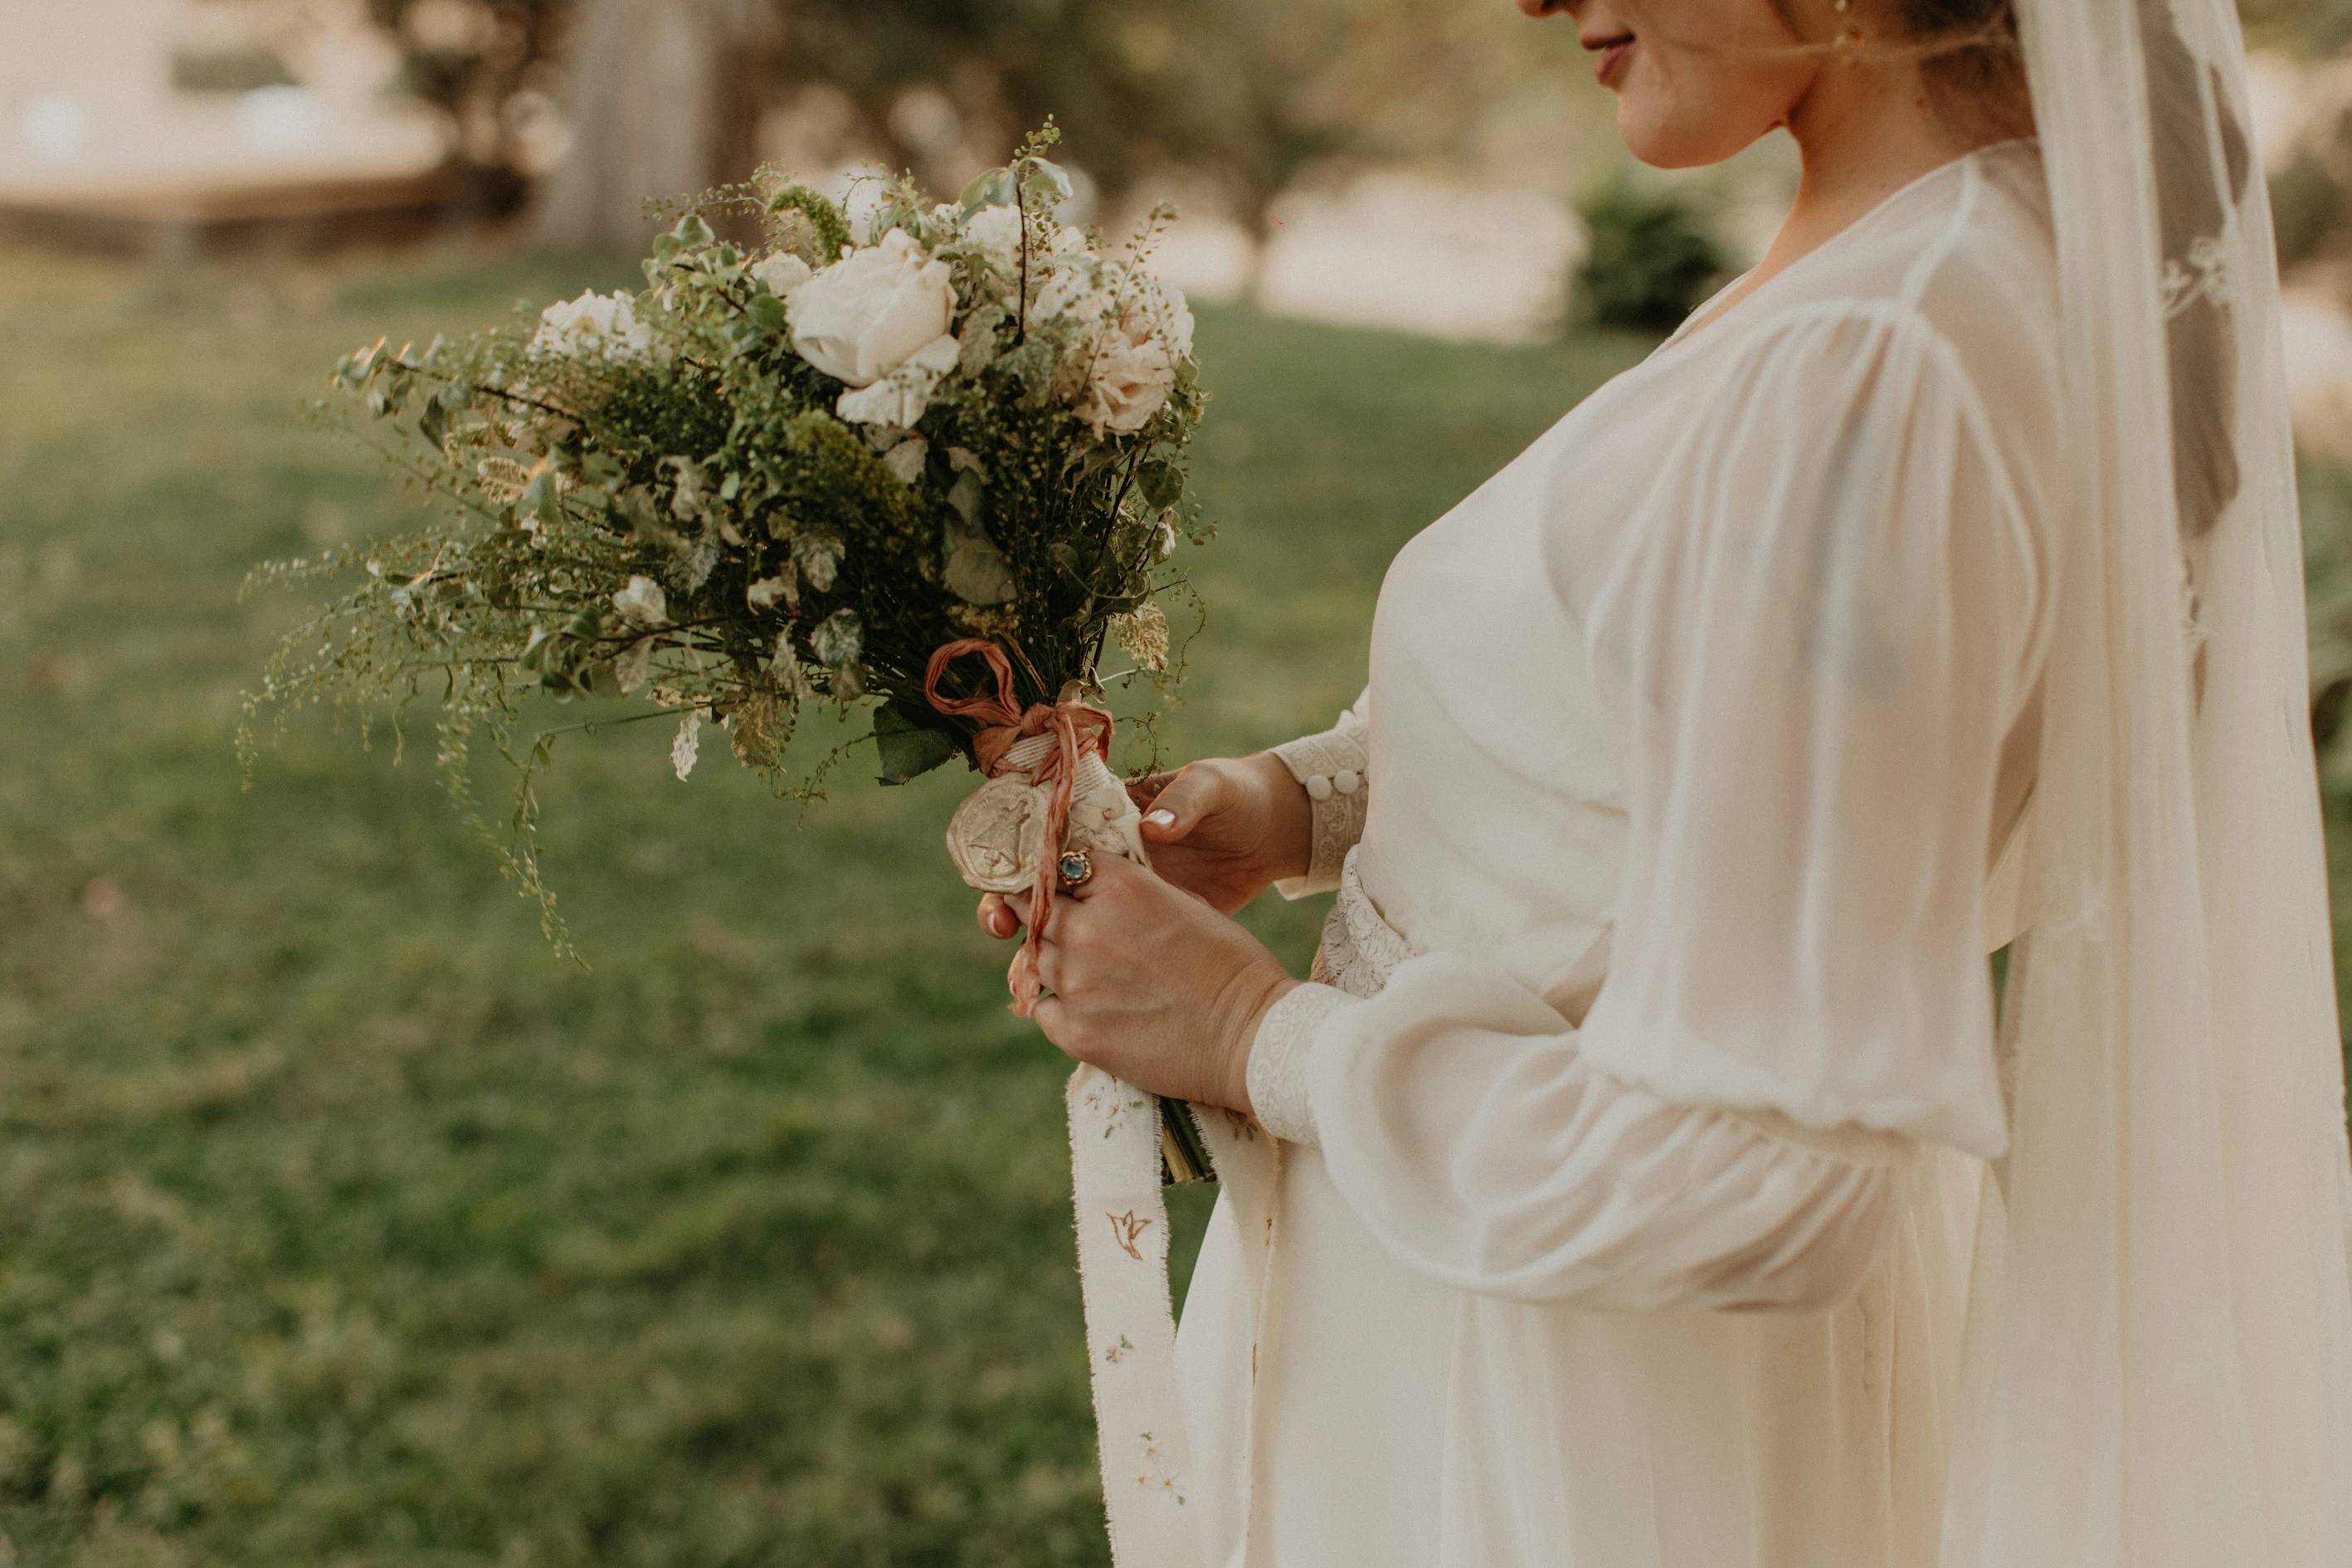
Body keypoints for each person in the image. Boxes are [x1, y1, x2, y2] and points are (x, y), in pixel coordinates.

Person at [980, 0, 2352, 1561]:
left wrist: (1249, 1034)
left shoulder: (1882, 361)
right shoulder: (1936, 256)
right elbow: (1682, 726)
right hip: (1537, 1303)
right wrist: (1311, 802)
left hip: (1561, 1391)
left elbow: (1762, 1174)